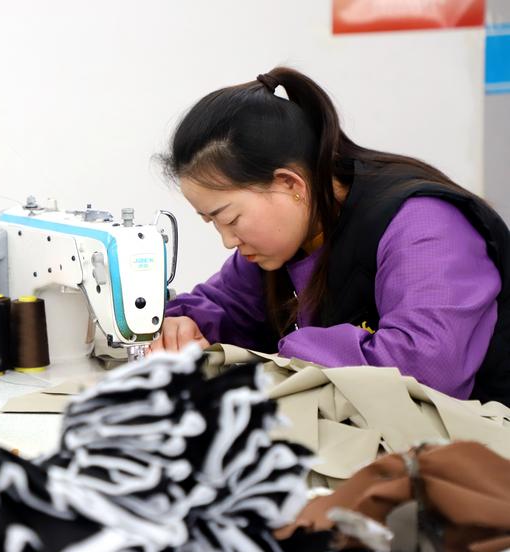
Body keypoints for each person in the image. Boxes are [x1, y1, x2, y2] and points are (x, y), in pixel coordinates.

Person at [149, 67, 510, 406]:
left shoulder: (423, 224)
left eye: (230, 219)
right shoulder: (283, 244)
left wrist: (289, 352)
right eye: (211, 222)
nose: (228, 241)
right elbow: (222, 308)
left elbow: (426, 368)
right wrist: (180, 326)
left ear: (289, 184)